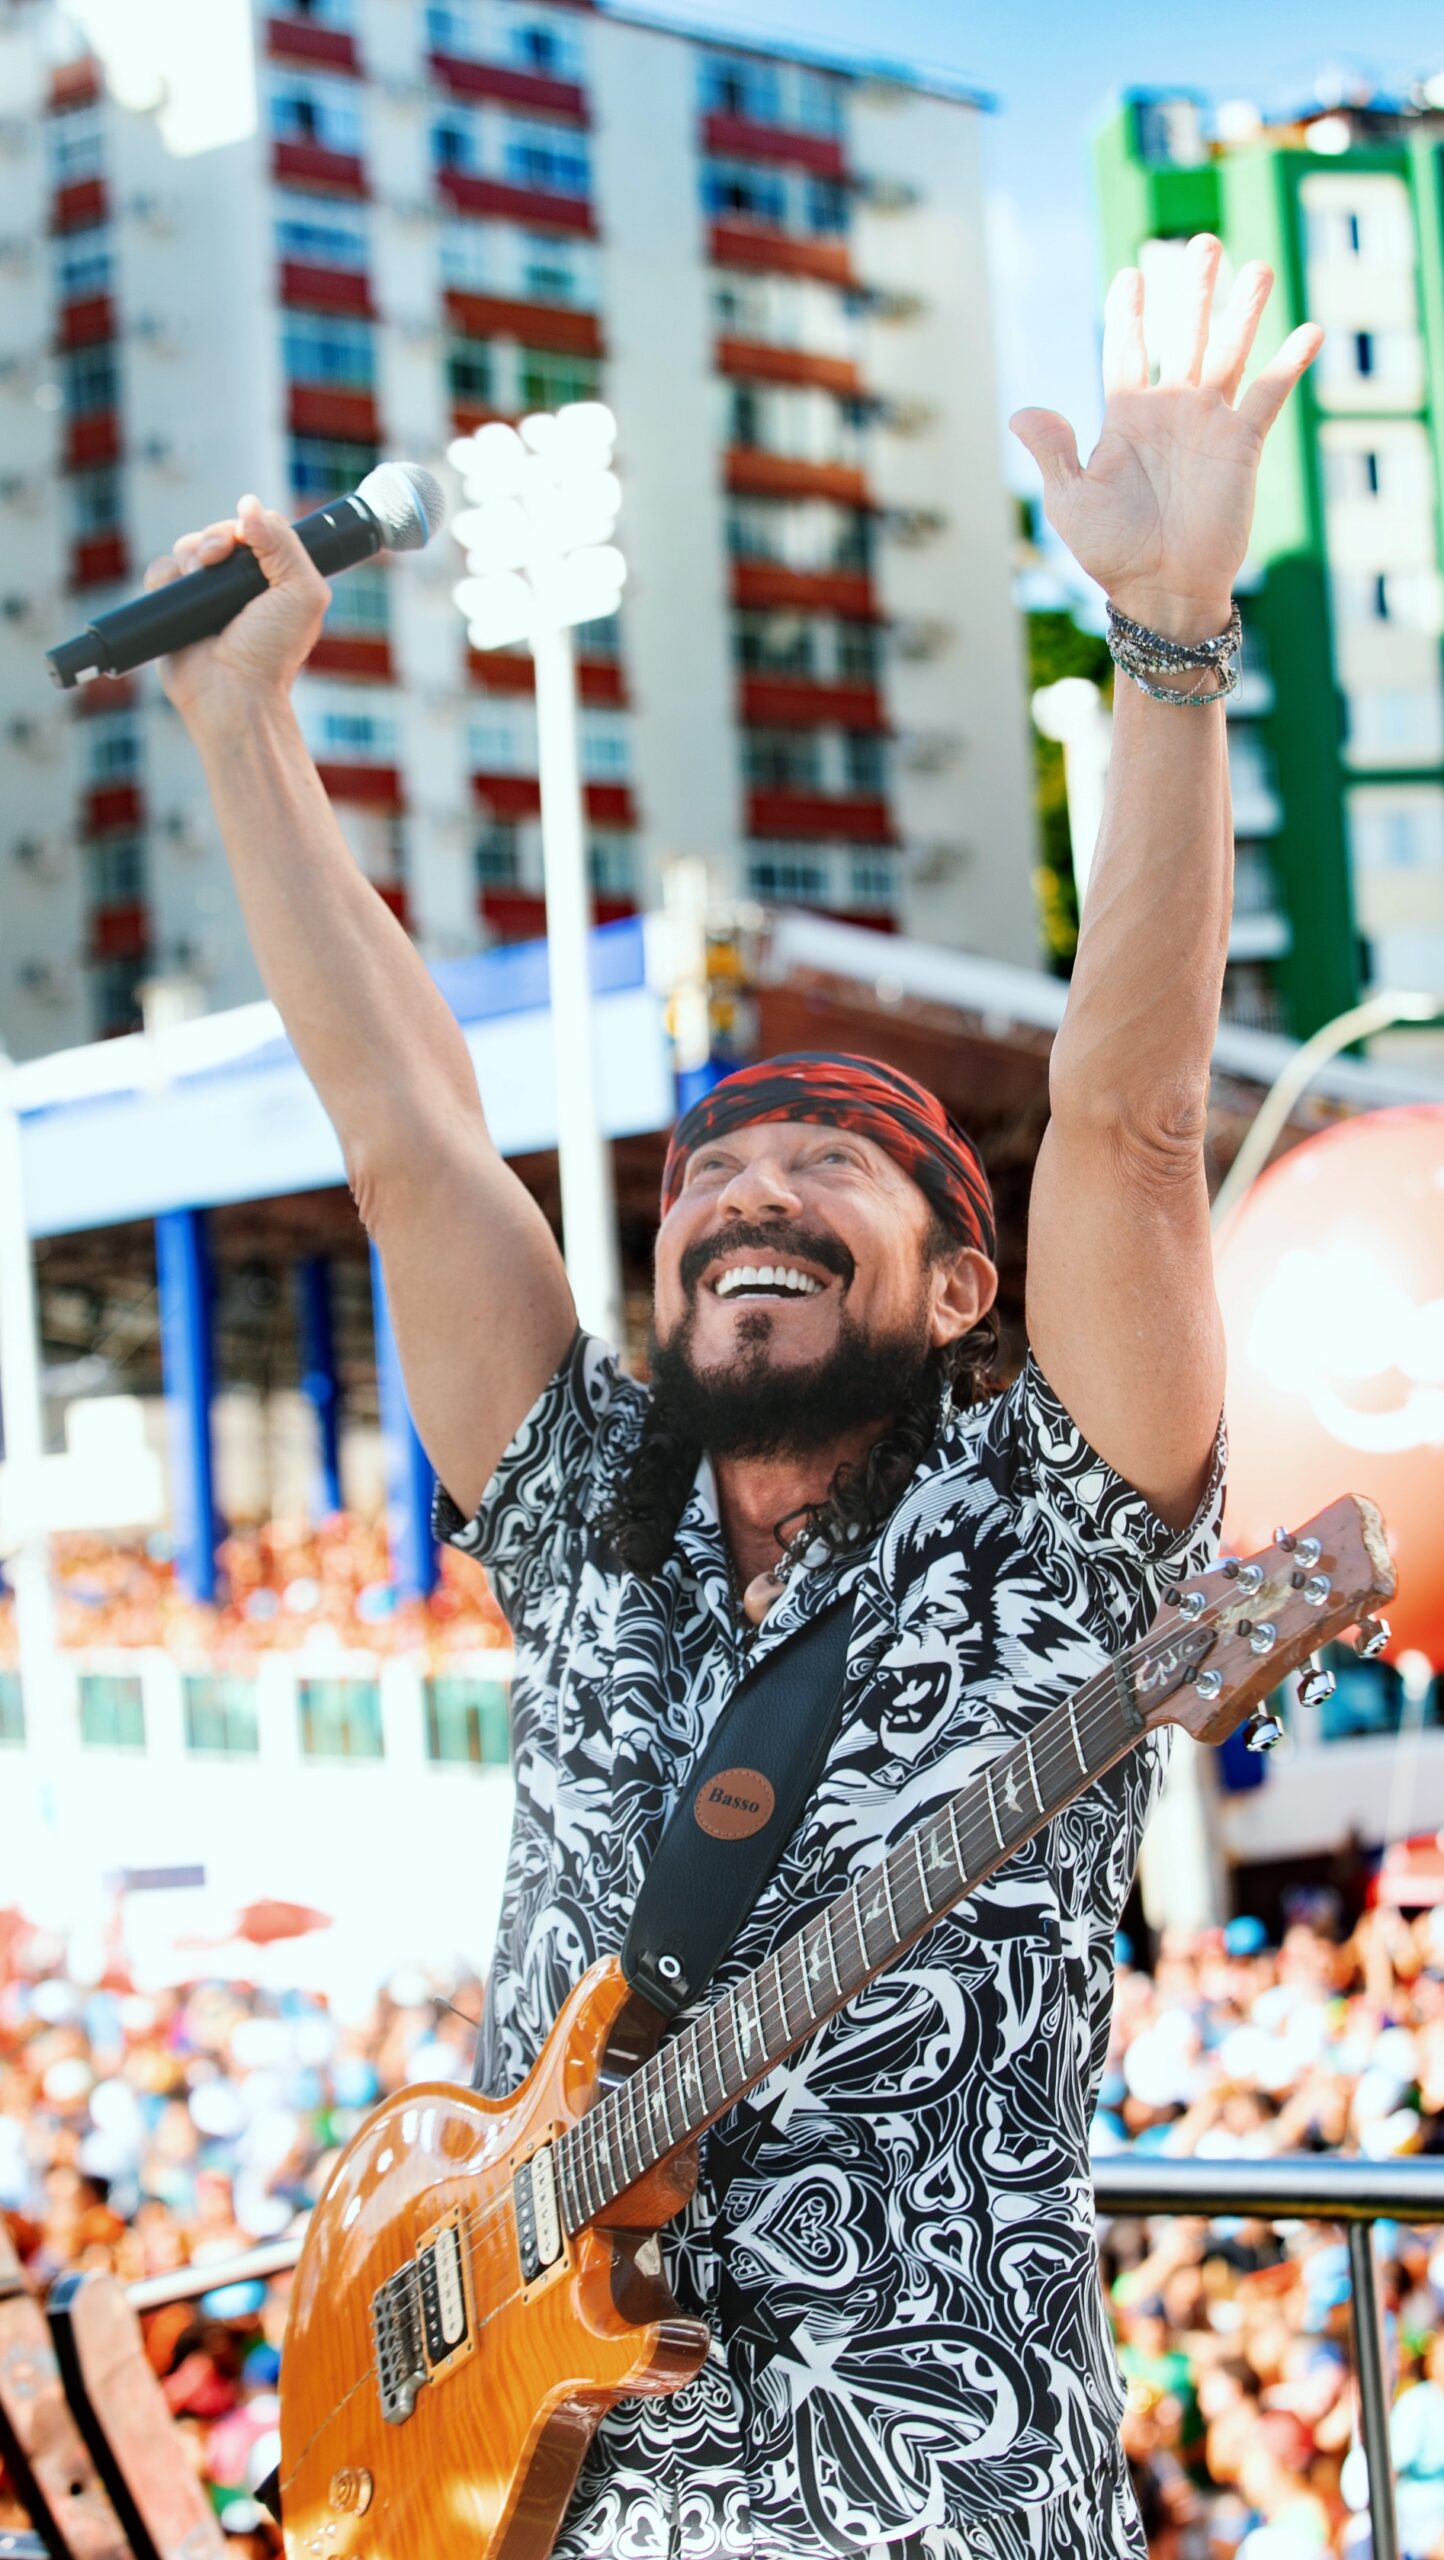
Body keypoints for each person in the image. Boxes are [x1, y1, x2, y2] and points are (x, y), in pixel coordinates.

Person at [146, 239, 1320, 2560]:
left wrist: (1167, 637)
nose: (746, 1186)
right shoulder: (595, 1509)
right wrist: (241, 732)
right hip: (535, 2501)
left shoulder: (1048, 1530)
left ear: (963, 1281)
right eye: (706, 1170)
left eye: (833, 1158)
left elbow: (1126, 1122)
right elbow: (409, 1142)